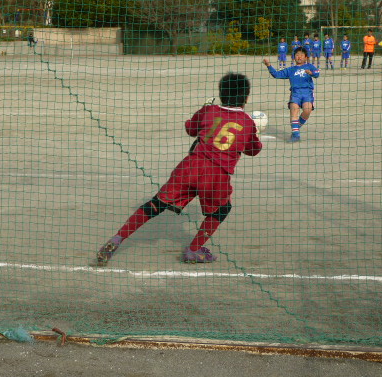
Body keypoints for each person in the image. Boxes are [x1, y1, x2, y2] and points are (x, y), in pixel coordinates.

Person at [96, 73, 263, 265]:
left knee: (156, 204)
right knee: (221, 210)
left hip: (190, 166)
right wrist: (256, 132)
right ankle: (194, 250)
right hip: (216, 175)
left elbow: (191, 129)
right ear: (246, 98)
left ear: (221, 93)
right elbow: (254, 150)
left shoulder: (208, 110)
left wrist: (202, 111)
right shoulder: (247, 122)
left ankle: (117, 238)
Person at [263, 47, 319, 143]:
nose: (299, 57)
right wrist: (269, 65)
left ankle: (295, 128)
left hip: (307, 92)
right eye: (297, 55)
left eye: (301, 55)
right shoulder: (291, 69)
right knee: (294, 111)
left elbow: (317, 74)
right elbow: (276, 74)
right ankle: (296, 135)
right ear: (294, 57)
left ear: (306, 57)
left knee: (307, 110)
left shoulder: (310, 66)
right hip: (295, 93)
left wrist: (311, 73)